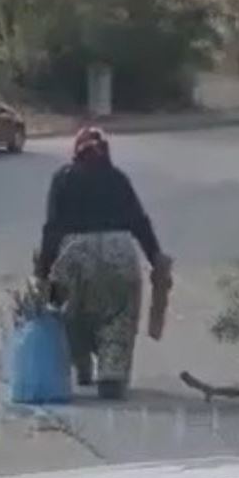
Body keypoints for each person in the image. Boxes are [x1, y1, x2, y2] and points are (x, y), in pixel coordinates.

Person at [35, 127, 165, 400]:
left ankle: (81, 364)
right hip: (117, 255)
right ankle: (111, 375)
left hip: (73, 256)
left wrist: (43, 271)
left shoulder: (63, 179)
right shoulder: (118, 179)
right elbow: (139, 223)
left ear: (75, 153)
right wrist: (156, 258)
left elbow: (52, 228)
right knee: (118, 314)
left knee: (72, 313)